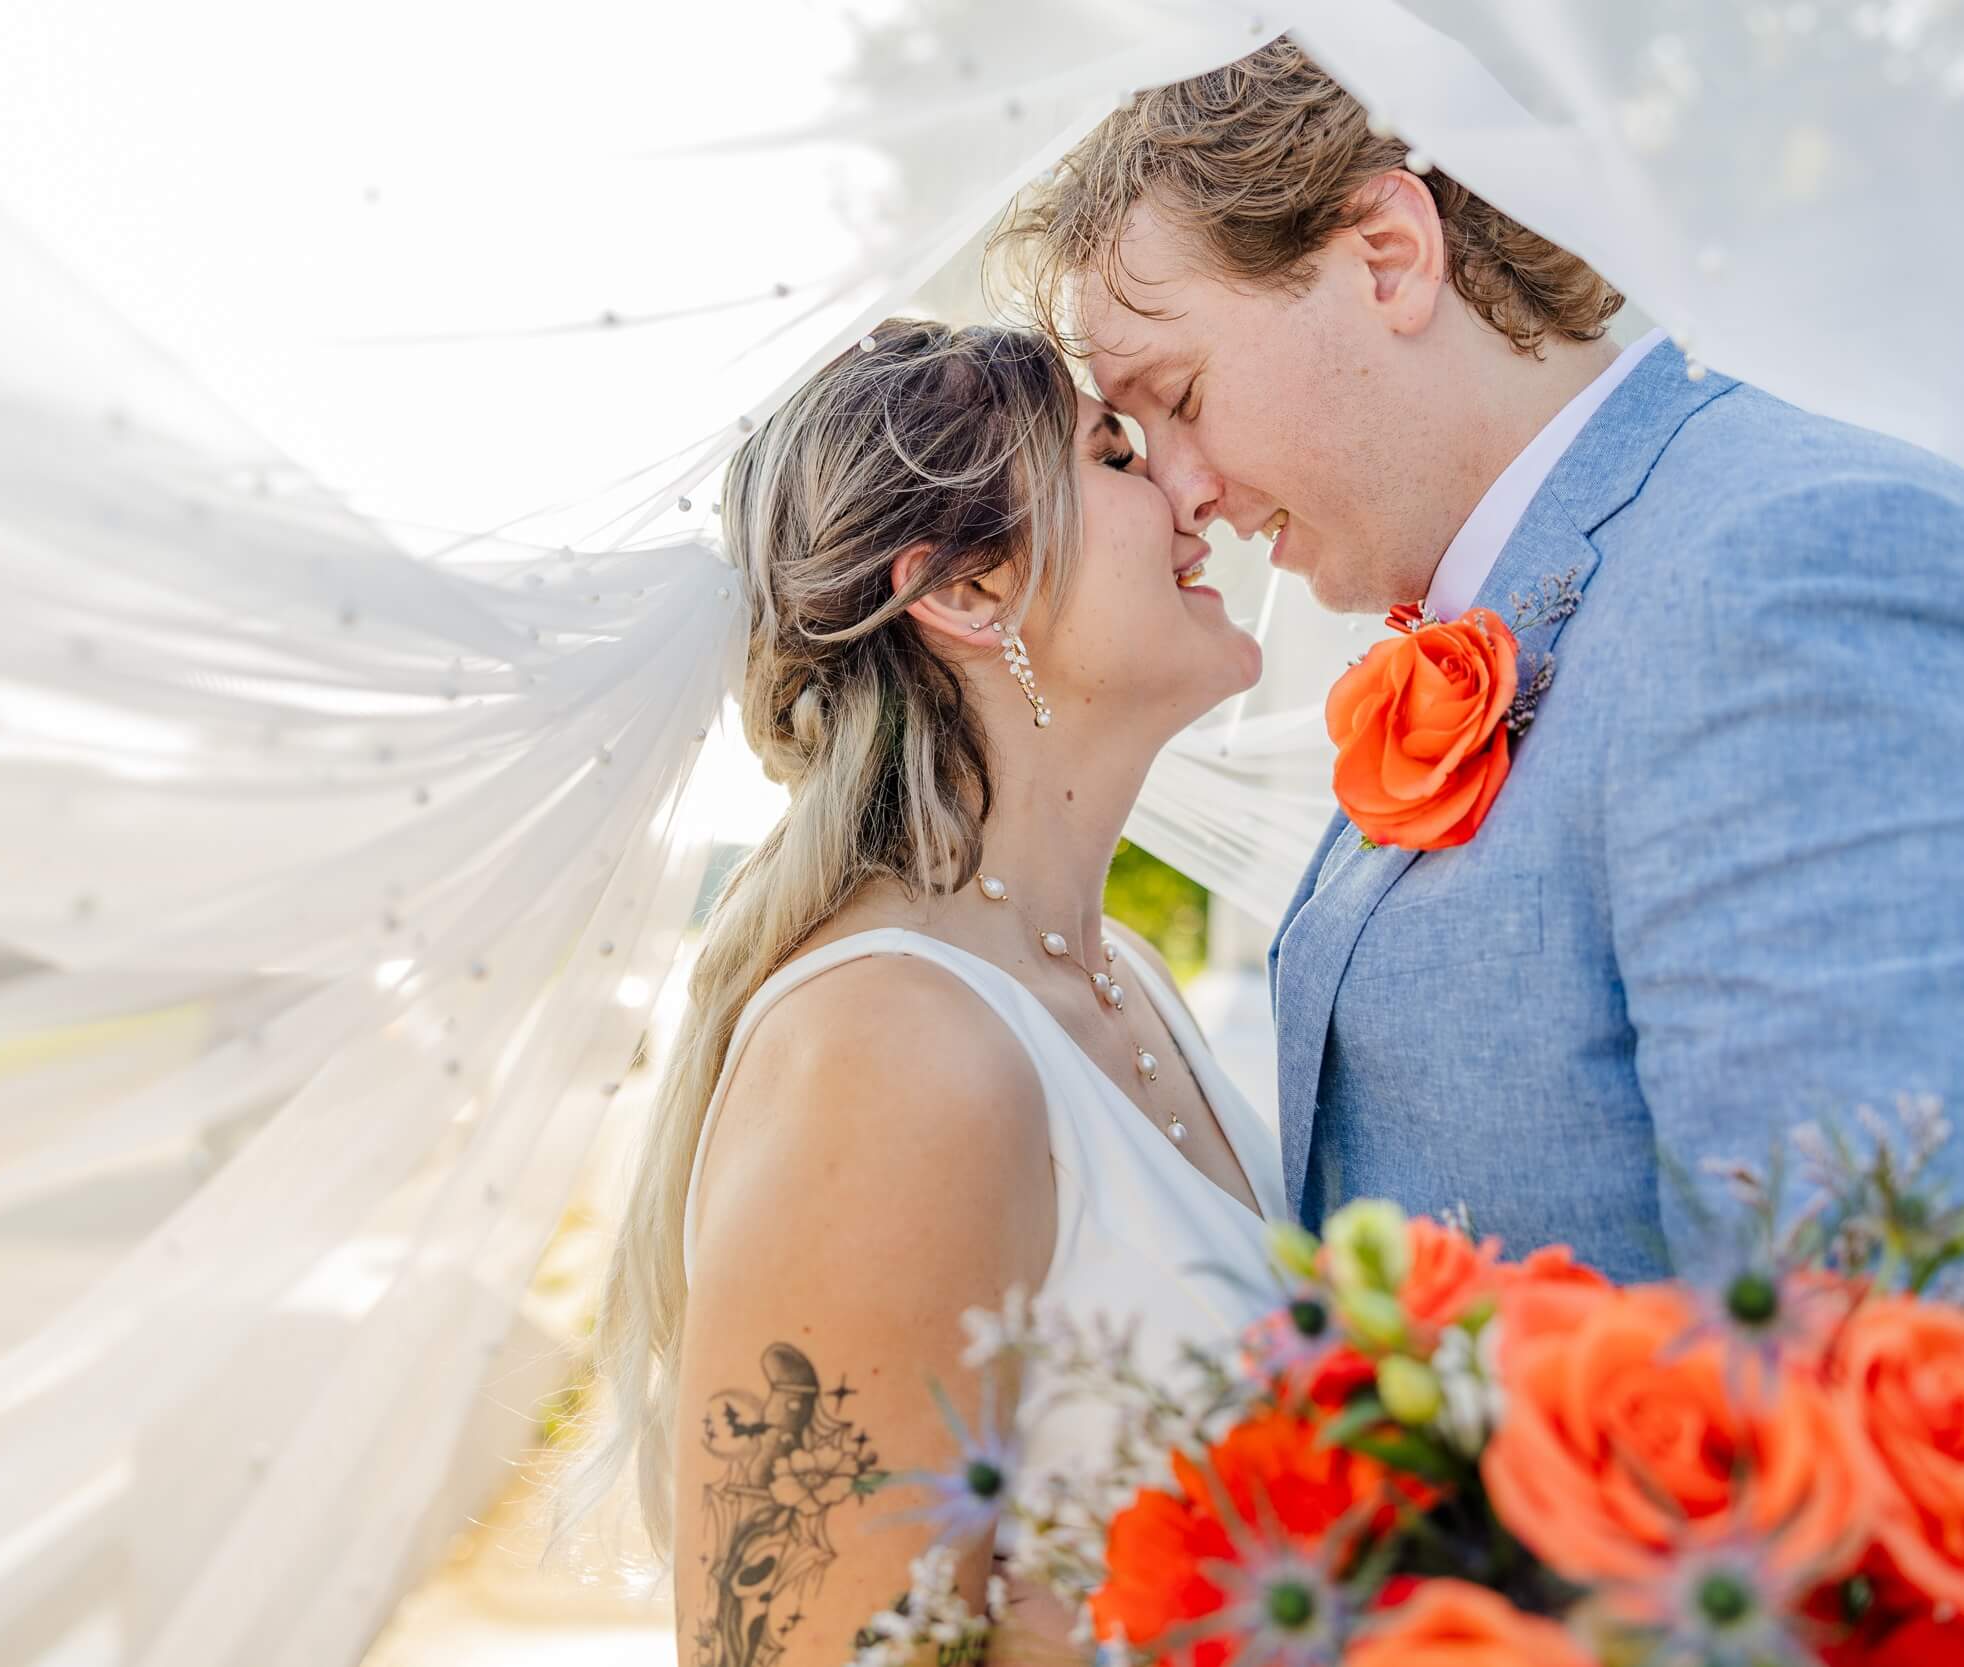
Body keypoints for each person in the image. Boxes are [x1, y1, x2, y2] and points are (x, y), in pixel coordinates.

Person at [996, 36, 1964, 1278]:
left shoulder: (1778, 567)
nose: (1183, 495)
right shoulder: (1508, 606)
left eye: (1179, 396)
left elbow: (1868, 1318)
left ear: (1388, 257)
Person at [560, 320, 1277, 1662]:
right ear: (969, 594)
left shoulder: (1122, 983)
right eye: (1115, 451)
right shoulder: (887, 1050)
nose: (1196, 492)